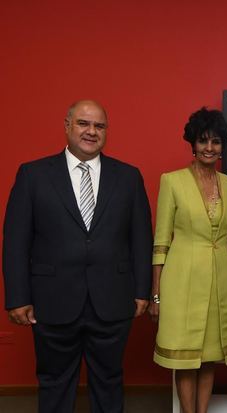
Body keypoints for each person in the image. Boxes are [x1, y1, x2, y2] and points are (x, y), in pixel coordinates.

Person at [2, 100, 153, 413]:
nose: (91, 131)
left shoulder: (128, 177)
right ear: (67, 126)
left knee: (110, 381)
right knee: (55, 382)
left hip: (112, 300)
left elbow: (141, 238)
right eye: (84, 123)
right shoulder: (33, 175)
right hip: (52, 300)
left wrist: (142, 290)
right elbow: (16, 241)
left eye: (99, 126)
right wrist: (17, 297)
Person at [149, 107, 227, 413]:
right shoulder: (172, 181)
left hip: (221, 283)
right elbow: (161, 242)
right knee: (186, 358)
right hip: (183, 282)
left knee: (210, 355)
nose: (209, 148)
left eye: (216, 142)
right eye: (203, 141)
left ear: (222, 146)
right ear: (193, 143)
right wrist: (156, 295)